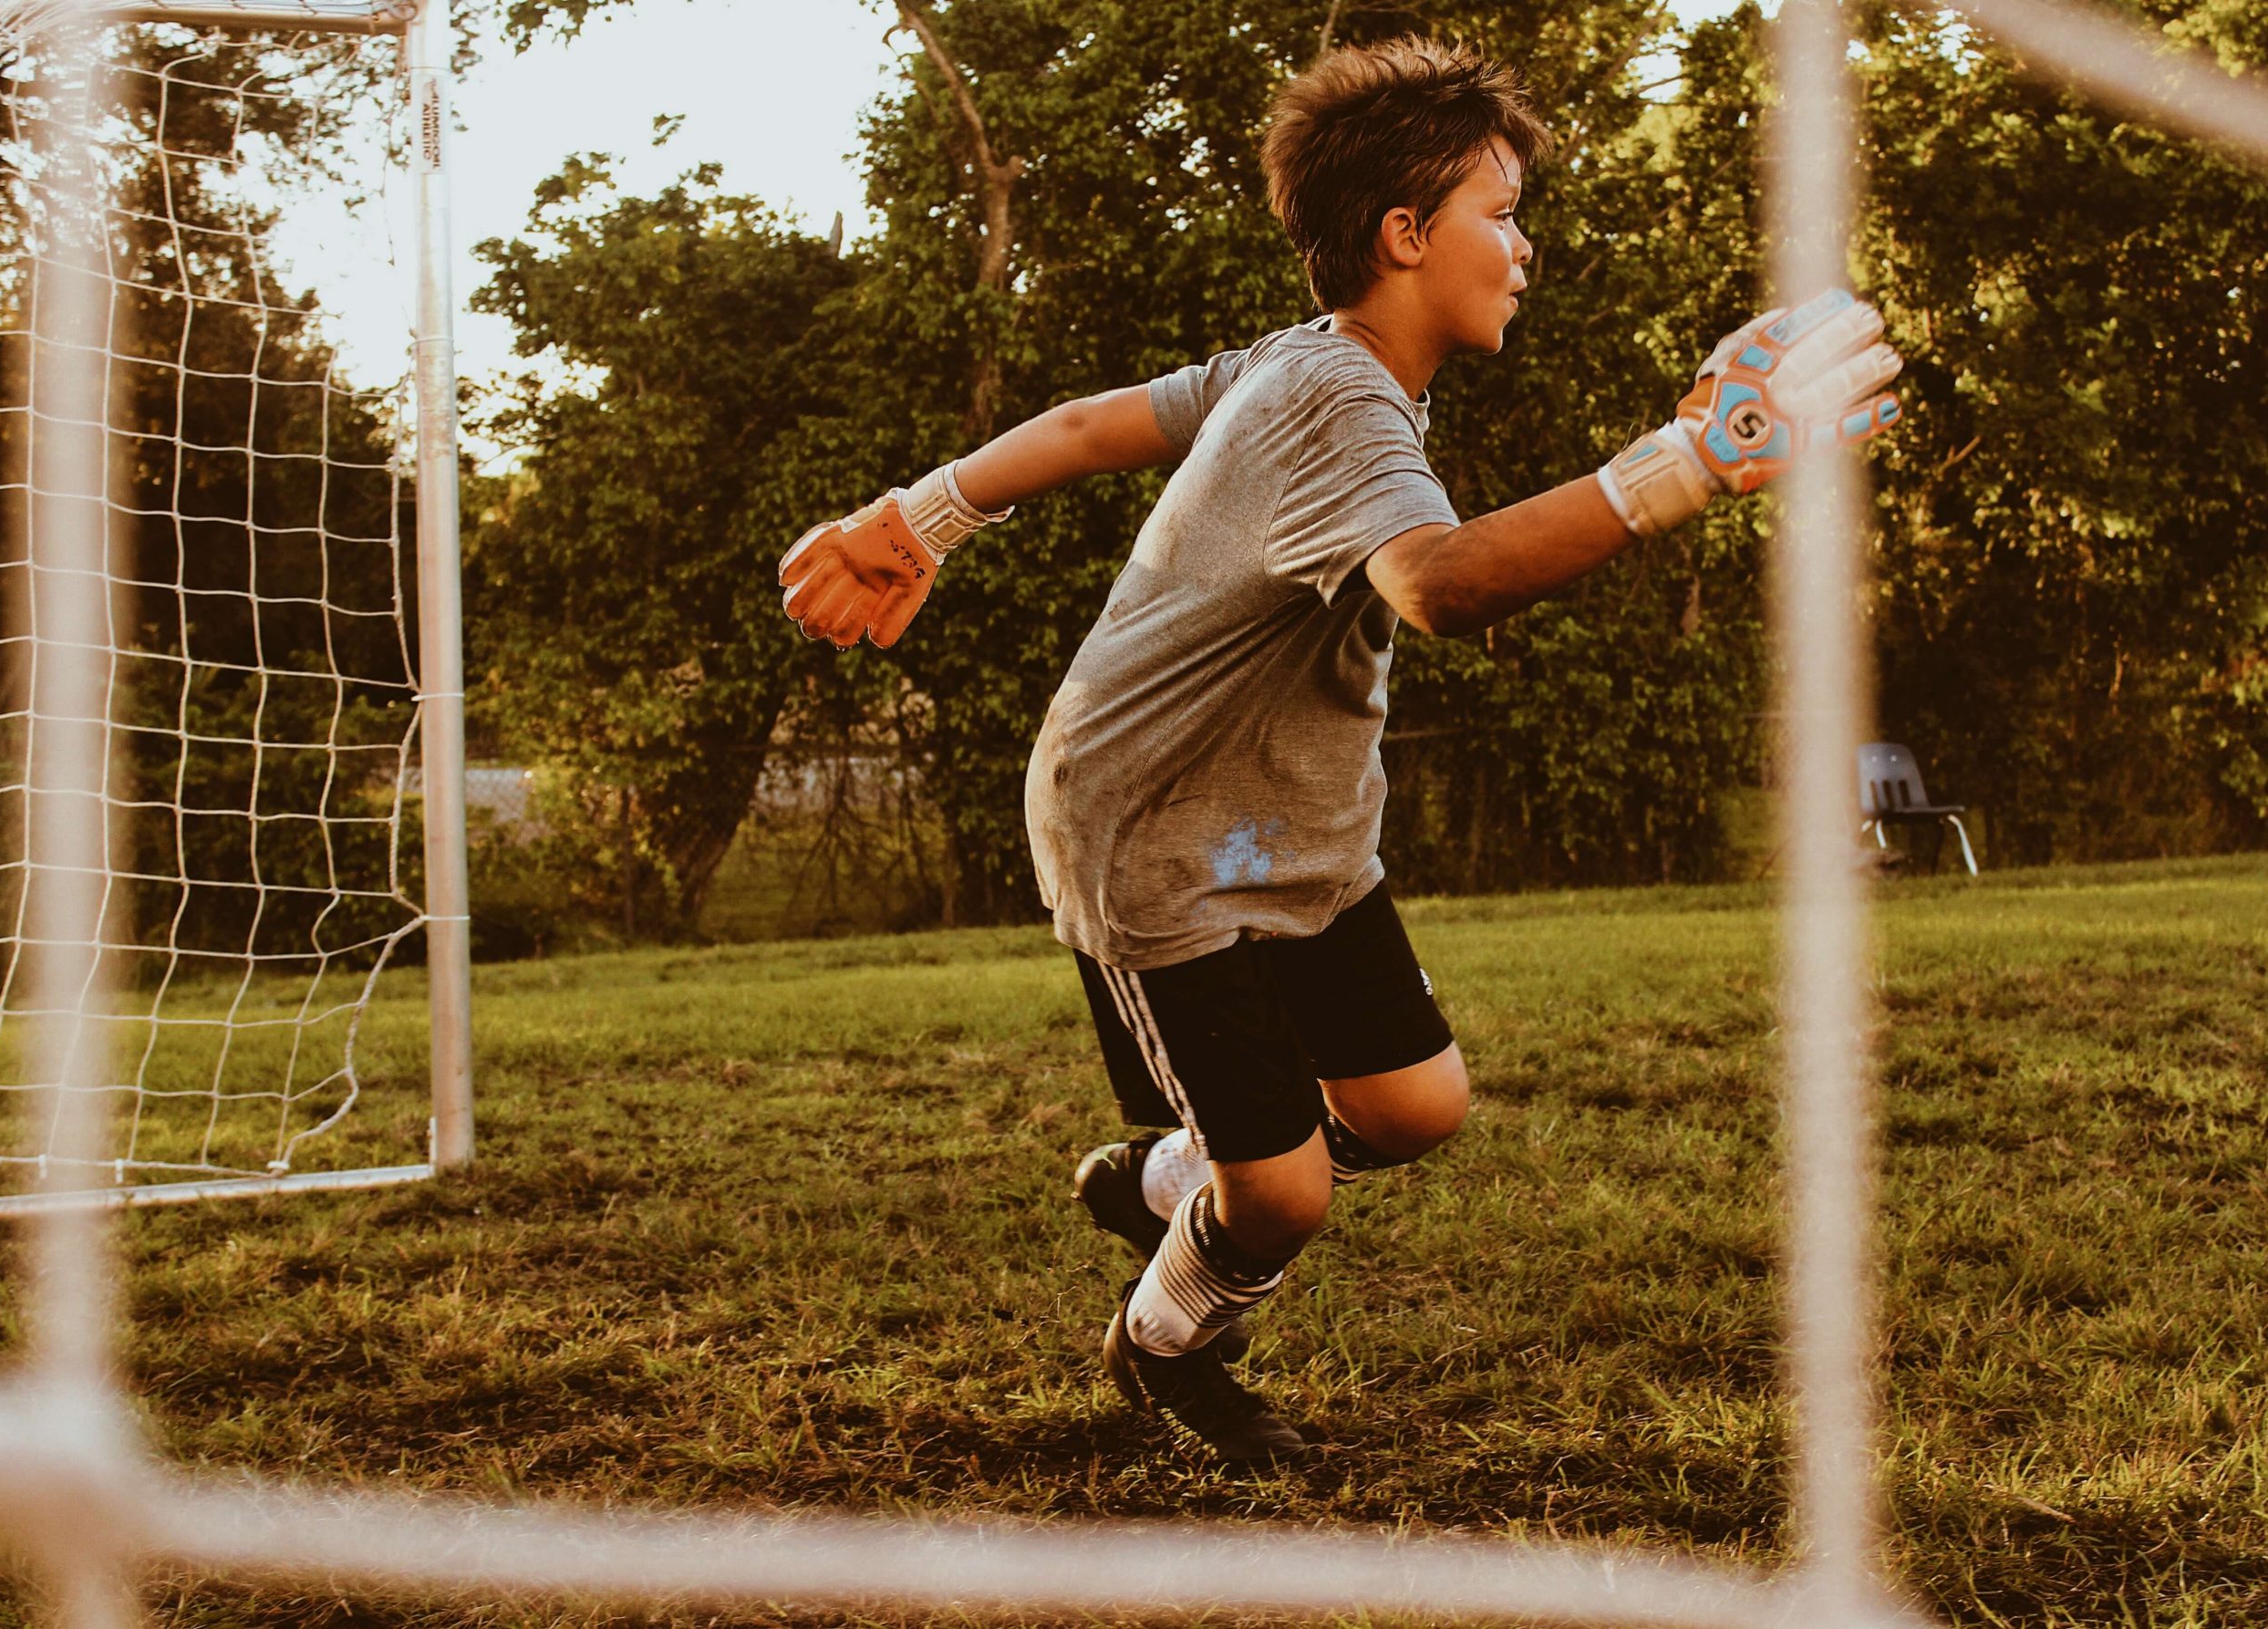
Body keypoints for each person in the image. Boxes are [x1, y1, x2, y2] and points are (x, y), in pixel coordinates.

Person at [777, 36, 1902, 1466]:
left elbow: (1084, 425)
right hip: (1161, 840)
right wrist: (1685, 462)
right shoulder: (1335, 397)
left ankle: (1177, 1170)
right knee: (1289, 1194)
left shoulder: (1298, 364)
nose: (1525, 247)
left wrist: (920, 516)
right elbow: (1437, 584)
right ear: (1404, 234)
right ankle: (1169, 1335)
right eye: (1501, 214)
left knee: (1416, 1104)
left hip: (1284, 834)